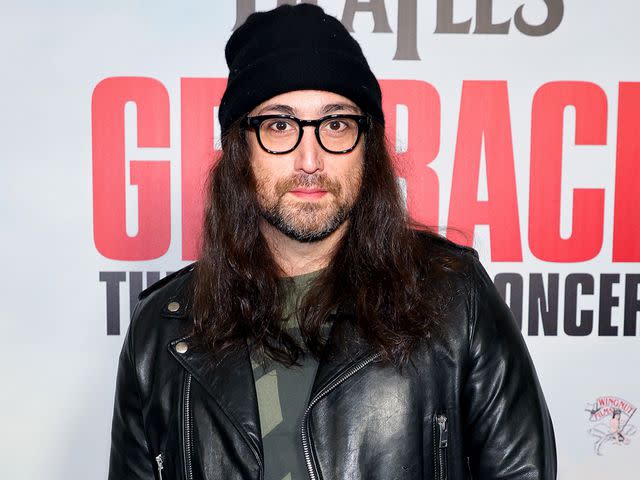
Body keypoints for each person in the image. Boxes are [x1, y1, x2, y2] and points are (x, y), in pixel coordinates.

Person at [108, 4, 557, 480]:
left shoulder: (454, 297)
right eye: (279, 125)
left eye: (336, 124)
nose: (310, 158)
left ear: (368, 146)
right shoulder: (161, 331)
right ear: (239, 149)